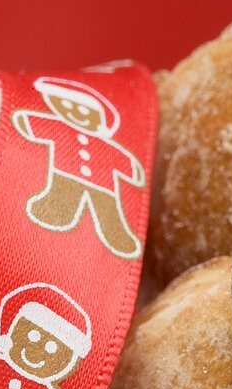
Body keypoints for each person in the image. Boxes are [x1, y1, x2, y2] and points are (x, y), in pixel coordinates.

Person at [13, 77, 145, 258]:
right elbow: (37, 125)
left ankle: (117, 238)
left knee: (108, 215)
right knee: (60, 199)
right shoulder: (60, 128)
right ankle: (54, 214)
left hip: (103, 186)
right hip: (65, 175)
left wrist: (133, 170)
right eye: (66, 107)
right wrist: (26, 121)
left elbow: (123, 159)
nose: (74, 112)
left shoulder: (107, 146)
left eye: (83, 110)